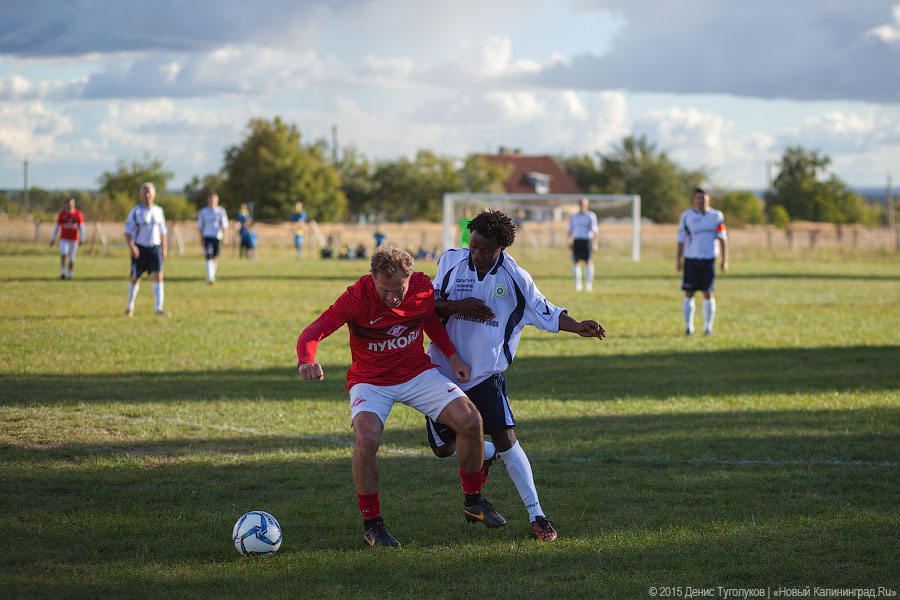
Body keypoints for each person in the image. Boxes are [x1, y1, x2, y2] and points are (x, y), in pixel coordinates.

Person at [296, 246, 506, 548]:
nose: (393, 297)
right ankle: (373, 526)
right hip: (371, 380)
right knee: (366, 440)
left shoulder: (421, 286)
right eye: (386, 290)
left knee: (471, 420)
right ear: (373, 279)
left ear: (410, 279)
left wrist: (454, 356)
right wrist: (306, 359)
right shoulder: (357, 297)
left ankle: (473, 502)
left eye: (399, 290)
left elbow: (429, 319)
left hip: (416, 373)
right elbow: (313, 332)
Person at [425, 209, 606, 541]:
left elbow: (544, 310)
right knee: (443, 449)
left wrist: (577, 326)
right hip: (441, 372)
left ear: (501, 248)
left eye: (485, 249)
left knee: (507, 439)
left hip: (486, 375)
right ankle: (485, 454)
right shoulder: (450, 261)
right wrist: (456, 306)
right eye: (473, 246)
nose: (476, 255)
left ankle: (537, 515)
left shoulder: (515, 277)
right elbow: (428, 304)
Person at [676, 188, 728, 336]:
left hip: (709, 259)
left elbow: (723, 238)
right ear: (694, 200)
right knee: (689, 293)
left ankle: (707, 328)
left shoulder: (716, 216)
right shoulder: (687, 216)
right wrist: (678, 259)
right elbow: (680, 239)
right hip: (691, 259)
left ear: (709, 199)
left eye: (703, 198)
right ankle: (688, 328)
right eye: (698, 198)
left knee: (708, 292)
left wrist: (725, 260)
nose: (701, 201)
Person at [124, 183, 169, 317]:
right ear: (141, 194)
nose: (147, 195)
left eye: (149, 192)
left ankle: (158, 308)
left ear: (154, 194)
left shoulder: (159, 211)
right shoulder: (136, 212)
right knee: (136, 278)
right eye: (145, 192)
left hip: (154, 249)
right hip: (140, 249)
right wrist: (132, 247)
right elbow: (127, 233)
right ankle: (129, 306)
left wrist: (164, 249)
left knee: (158, 276)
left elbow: (163, 232)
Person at [49, 197, 85, 279]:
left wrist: (82, 239)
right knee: (63, 254)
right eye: (68, 202)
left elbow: (82, 227)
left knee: (71, 258)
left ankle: (70, 274)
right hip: (64, 239)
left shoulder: (78, 214)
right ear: (66, 204)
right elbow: (57, 227)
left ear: (74, 203)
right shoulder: (62, 214)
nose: (70, 204)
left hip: (74, 239)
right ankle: (63, 273)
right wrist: (53, 238)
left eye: (72, 202)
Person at [197, 193, 228, 285]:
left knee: (215, 257)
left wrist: (225, 237)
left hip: (217, 237)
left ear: (217, 200)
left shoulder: (221, 211)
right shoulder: (204, 212)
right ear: (208, 200)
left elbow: (225, 225)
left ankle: (212, 275)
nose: (212, 201)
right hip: (207, 236)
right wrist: (201, 238)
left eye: (214, 199)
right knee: (208, 255)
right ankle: (210, 277)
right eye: (210, 199)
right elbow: (199, 226)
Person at [567, 198, 599, 291]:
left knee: (588, 262)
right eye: (581, 204)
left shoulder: (591, 215)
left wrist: (595, 243)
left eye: (584, 205)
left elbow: (595, 230)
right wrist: (569, 240)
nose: (583, 206)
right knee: (576, 262)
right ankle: (578, 284)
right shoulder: (574, 216)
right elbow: (570, 229)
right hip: (577, 240)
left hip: (586, 240)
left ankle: (588, 284)